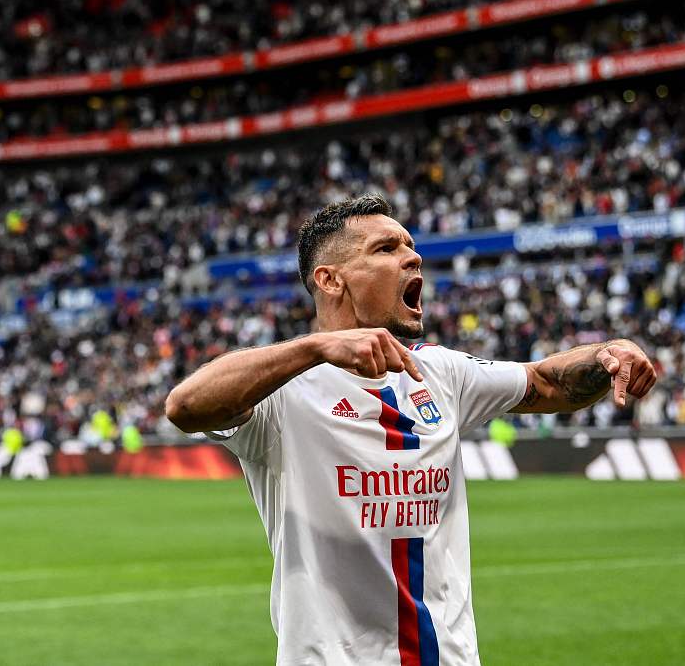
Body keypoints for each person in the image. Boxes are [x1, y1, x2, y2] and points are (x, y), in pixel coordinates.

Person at [165, 194, 657, 665]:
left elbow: (546, 382)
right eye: (386, 249)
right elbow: (185, 406)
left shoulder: (442, 372)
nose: (413, 257)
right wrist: (315, 349)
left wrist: (606, 353)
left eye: (409, 244)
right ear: (330, 280)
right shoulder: (285, 391)